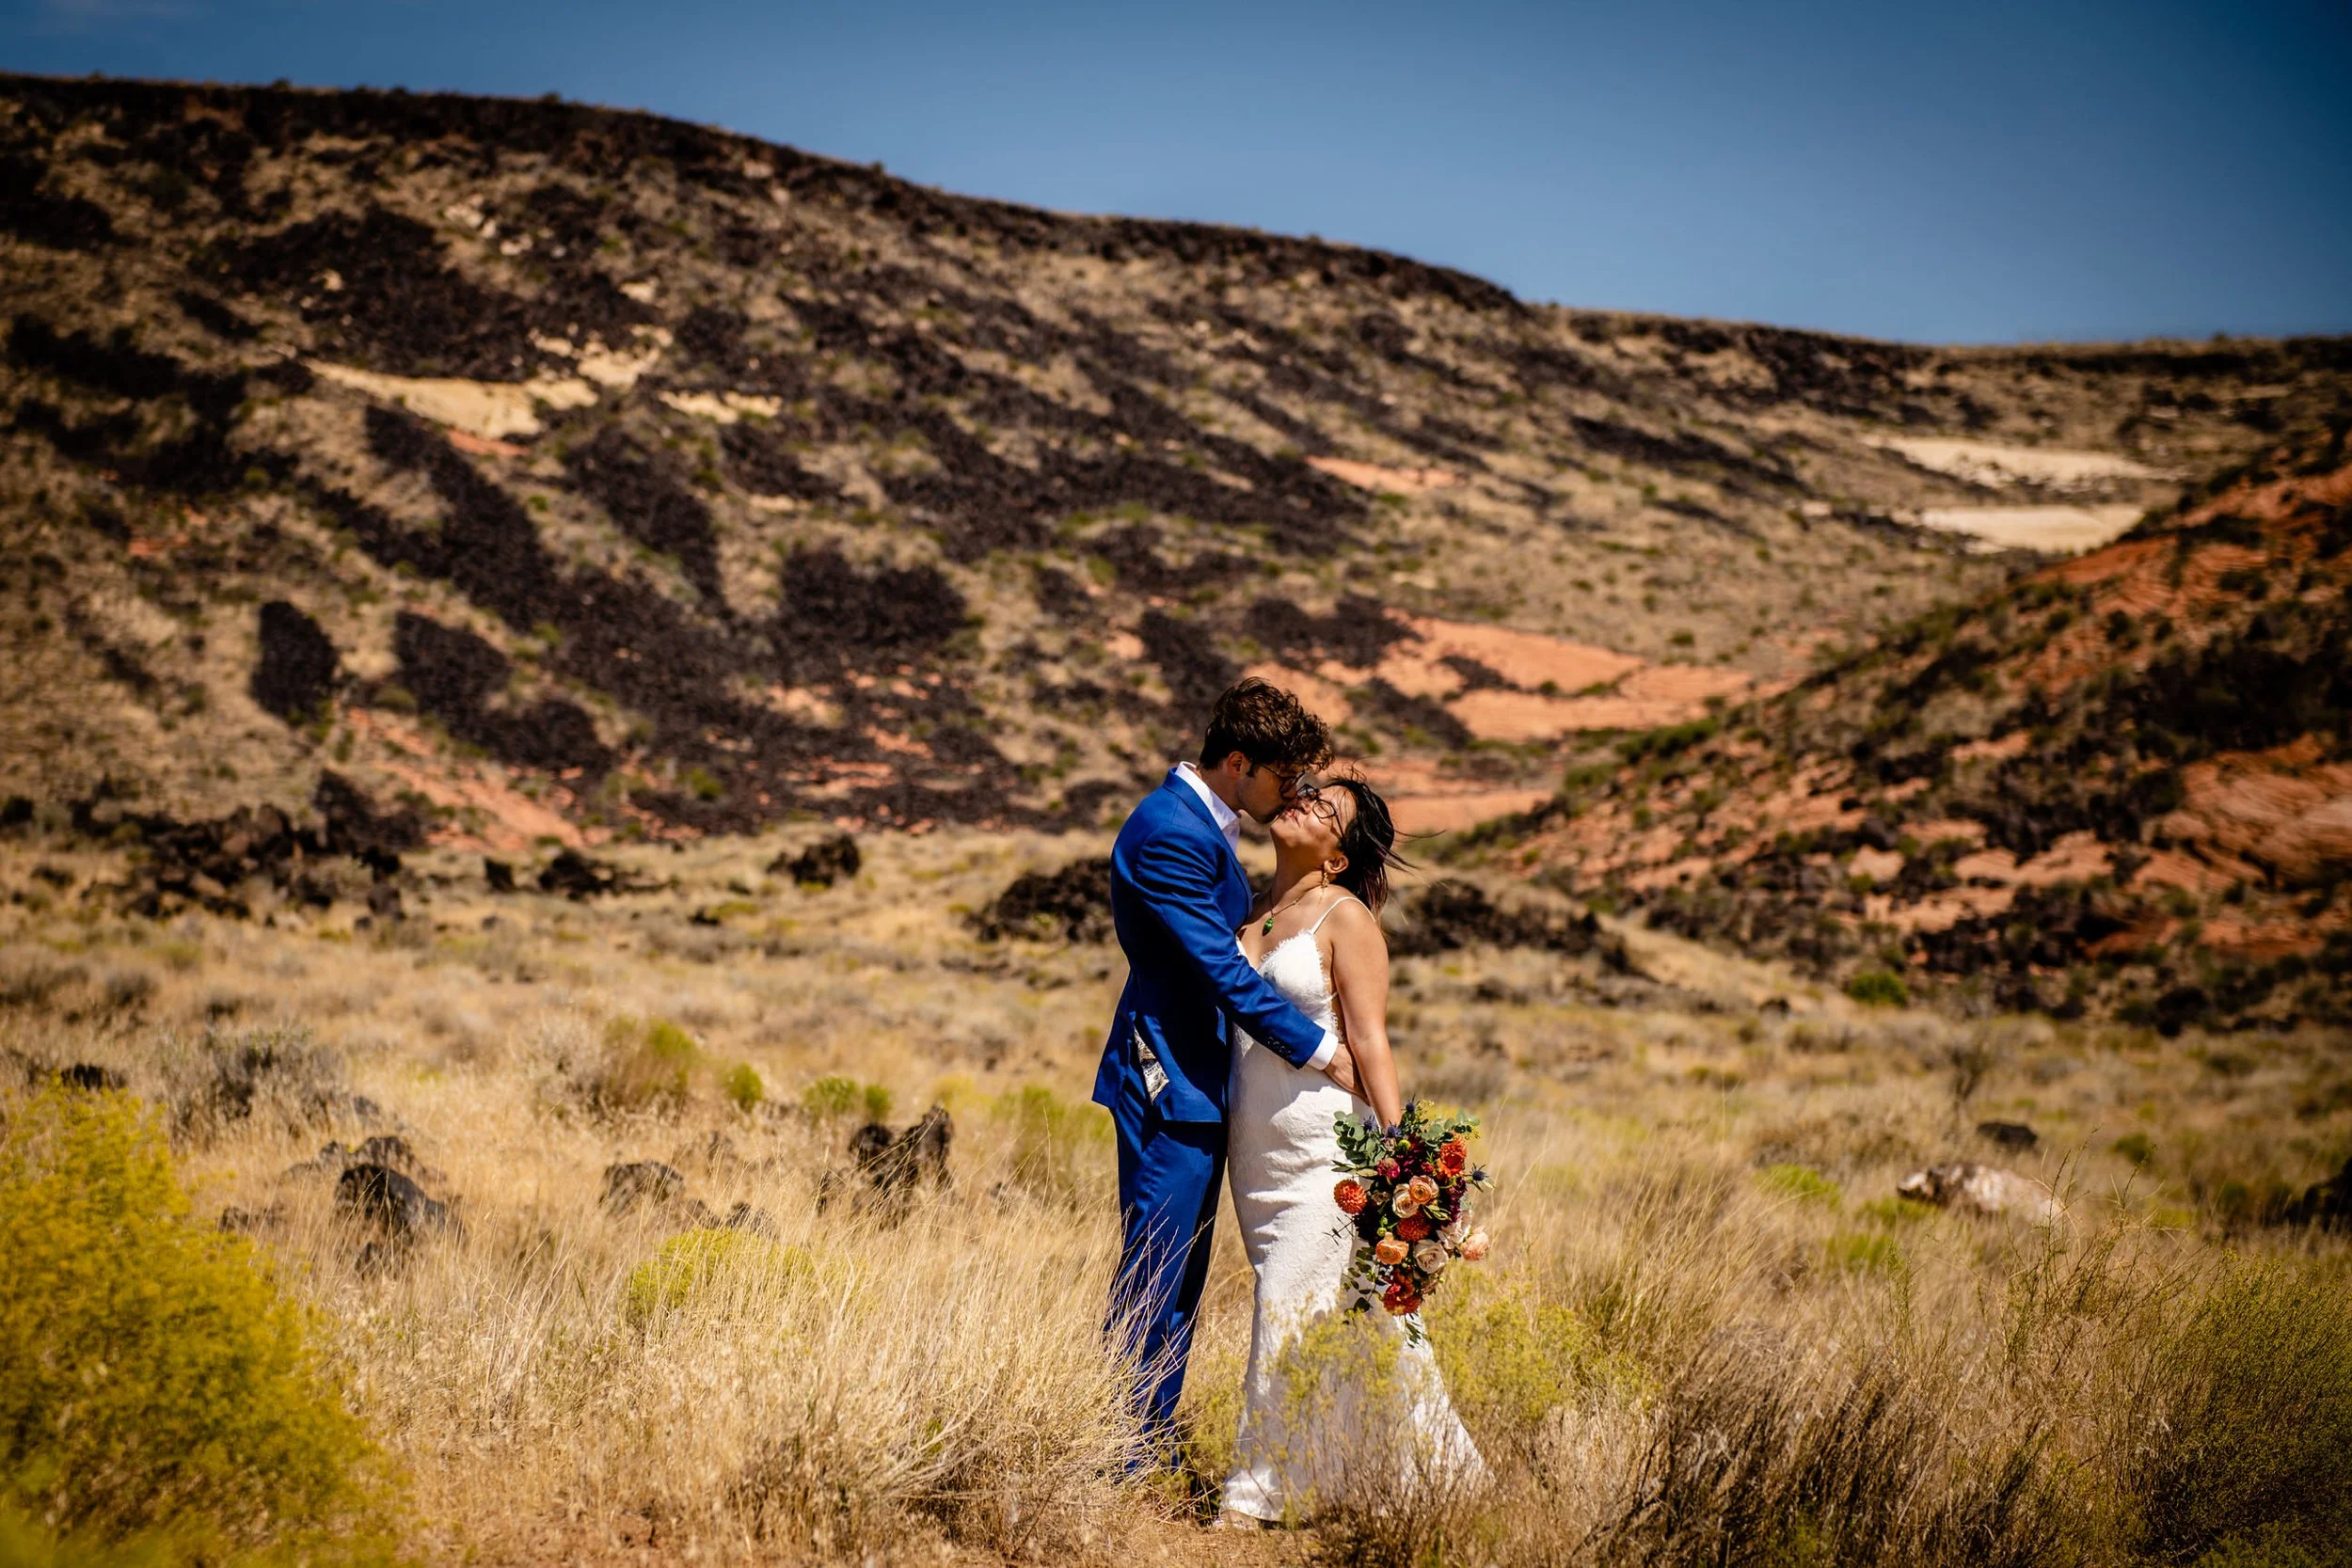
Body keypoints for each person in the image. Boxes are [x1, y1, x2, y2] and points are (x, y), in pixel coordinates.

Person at [1092, 678, 1361, 1463]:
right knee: (1156, 1272)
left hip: (1201, 1087)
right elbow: (1223, 973)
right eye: (1283, 779)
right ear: (1239, 762)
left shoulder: (1198, 826)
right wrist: (1319, 1050)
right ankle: (1121, 1450)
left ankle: (1147, 1440)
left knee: (1177, 1276)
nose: (1290, 798)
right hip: (1169, 1079)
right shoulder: (1172, 830)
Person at [1217, 773, 1483, 1525]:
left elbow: (1370, 1041)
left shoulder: (1348, 918)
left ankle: (1259, 1492)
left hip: (1327, 1150)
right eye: (1305, 791)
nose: (1301, 801)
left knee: (1288, 1299)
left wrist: (1406, 1162)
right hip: (1257, 1149)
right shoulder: (1253, 910)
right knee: (1355, 1314)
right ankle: (1407, 1478)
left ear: (1337, 856)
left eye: (1323, 808)